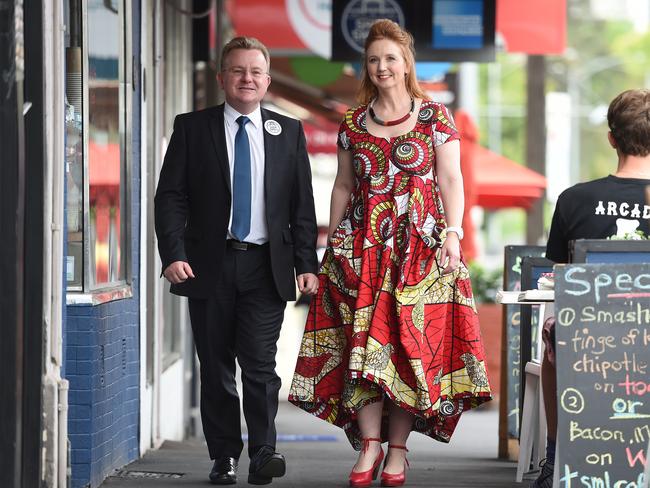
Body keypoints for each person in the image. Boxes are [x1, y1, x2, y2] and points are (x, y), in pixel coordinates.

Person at [288, 19, 492, 488]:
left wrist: (454, 233)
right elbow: (343, 185)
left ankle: (398, 450)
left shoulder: (435, 117)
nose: (382, 67)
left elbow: (451, 181)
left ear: (406, 64)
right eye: (374, 59)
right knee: (362, 349)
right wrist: (333, 242)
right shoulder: (353, 123)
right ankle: (370, 445)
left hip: (419, 252)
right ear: (368, 66)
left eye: (391, 58)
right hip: (362, 251)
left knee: (408, 349)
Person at [154, 36, 319, 485]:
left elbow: (301, 205)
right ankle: (224, 455)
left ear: (267, 80)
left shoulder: (289, 132)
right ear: (222, 77)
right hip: (208, 265)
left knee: (261, 366)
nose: (248, 79)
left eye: (256, 72)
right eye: (239, 71)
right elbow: (170, 197)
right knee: (216, 367)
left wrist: (307, 264)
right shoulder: (192, 127)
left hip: (266, 267)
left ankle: (264, 451)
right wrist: (173, 254)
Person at [534, 88, 650, 488]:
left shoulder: (574, 200)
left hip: (591, 347)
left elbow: (559, 278)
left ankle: (555, 456)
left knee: (554, 337)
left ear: (611, 137)